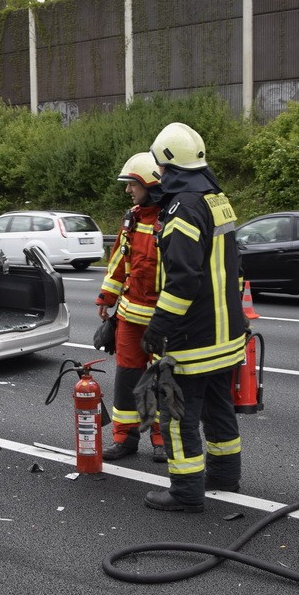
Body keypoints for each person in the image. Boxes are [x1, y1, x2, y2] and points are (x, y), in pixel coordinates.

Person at [139, 122, 248, 513]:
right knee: (219, 406)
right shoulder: (217, 198)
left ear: (168, 166)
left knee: (177, 413)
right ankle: (224, 474)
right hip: (227, 334)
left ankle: (185, 492)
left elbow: (183, 279)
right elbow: (233, 265)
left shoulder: (182, 206)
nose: (159, 176)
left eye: (160, 169)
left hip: (194, 337)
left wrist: (159, 327)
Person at [95, 152, 167, 463]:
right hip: (129, 317)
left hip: (163, 320)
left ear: (150, 185)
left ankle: (162, 438)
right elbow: (120, 261)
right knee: (127, 378)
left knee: (162, 380)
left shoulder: (172, 220)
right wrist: (106, 298)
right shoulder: (133, 218)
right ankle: (125, 438)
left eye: (132, 185)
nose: (128, 191)